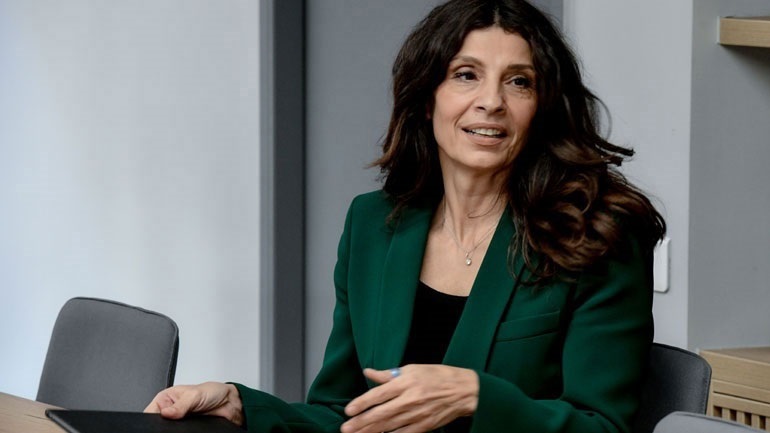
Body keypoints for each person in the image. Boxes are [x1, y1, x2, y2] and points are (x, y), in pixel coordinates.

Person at [145, 0, 666, 432]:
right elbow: (344, 415)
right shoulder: (373, 225)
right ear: (426, 99)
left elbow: (604, 426)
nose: (491, 101)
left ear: (543, 106)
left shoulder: (598, 233)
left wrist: (476, 397)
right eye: (466, 75)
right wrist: (241, 404)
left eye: (519, 82)